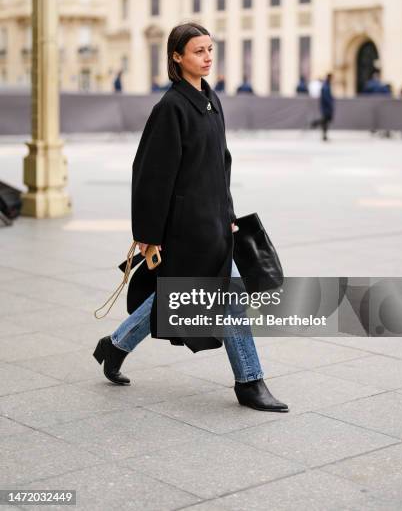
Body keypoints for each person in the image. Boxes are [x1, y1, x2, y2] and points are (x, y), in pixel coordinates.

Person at [93, 22, 288, 413]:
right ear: (177, 57)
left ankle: (114, 346)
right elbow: (150, 175)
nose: (207, 57)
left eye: (210, 49)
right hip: (184, 228)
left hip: (214, 222)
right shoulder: (170, 108)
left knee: (180, 297)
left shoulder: (211, 100)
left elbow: (219, 164)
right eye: (198, 51)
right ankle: (250, 381)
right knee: (224, 296)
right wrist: (149, 235)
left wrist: (228, 213)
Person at [310, 73, 335, 141]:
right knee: (325, 121)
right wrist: (330, 103)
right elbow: (326, 97)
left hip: (325, 106)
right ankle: (315, 123)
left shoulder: (326, 85)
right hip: (326, 107)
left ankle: (324, 135)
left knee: (325, 121)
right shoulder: (325, 86)